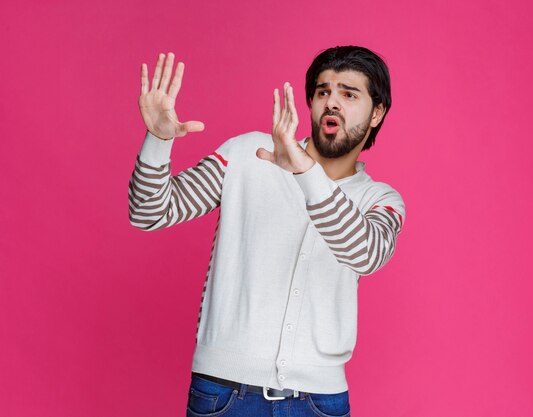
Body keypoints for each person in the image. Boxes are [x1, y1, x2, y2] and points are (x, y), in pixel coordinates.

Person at [128, 45, 405, 417]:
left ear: (377, 112)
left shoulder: (381, 200)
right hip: (223, 395)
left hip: (320, 402)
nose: (332, 103)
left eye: (349, 94)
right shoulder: (248, 154)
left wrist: (306, 173)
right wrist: (159, 141)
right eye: (323, 92)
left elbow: (365, 254)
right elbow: (149, 211)